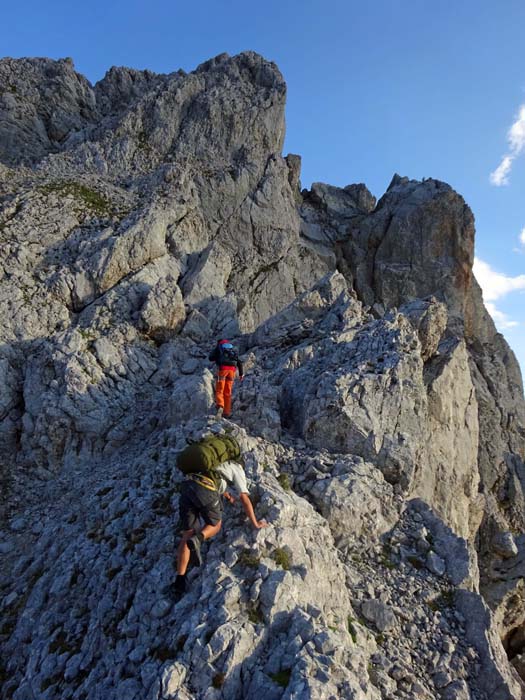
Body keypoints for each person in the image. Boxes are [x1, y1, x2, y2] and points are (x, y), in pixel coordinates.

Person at [173, 459, 268, 594]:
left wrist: (227, 496)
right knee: (216, 525)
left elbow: (216, 478)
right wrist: (255, 523)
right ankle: (198, 539)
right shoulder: (237, 468)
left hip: (187, 486)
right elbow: (244, 498)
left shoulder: (213, 462)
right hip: (206, 489)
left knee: (187, 533)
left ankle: (180, 580)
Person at [209, 339, 244, 418]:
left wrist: (217, 356)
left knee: (220, 389)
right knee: (228, 392)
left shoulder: (219, 348)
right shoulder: (232, 349)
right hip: (232, 371)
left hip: (223, 370)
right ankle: (226, 412)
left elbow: (211, 358)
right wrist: (241, 374)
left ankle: (220, 405)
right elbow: (239, 362)